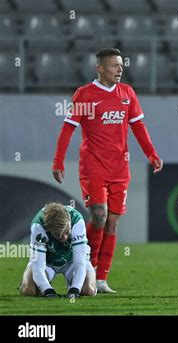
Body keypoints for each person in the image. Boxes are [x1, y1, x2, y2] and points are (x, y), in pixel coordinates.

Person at [52, 48, 163, 293]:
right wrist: (58, 161)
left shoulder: (127, 93)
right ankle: (86, 271)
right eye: (114, 65)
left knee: (112, 223)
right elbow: (68, 128)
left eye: (121, 65)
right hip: (93, 166)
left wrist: (152, 154)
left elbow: (138, 126)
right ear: (100, 68)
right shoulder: (85, 94)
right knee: (99, 216)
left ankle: (101, 279)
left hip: (119, 168)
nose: (120, 69)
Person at [20, 202, 96, 298]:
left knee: (88, 290)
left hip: (72, 260)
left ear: (69, 221)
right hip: (47, 262)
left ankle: (73, 282)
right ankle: (32, 280)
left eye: (66, 232)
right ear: (48, 229)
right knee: (28, 290)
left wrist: (75, 289)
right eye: (58, 235)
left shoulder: (77, 221)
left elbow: (79, 263)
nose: (64, 237)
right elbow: (38, 267)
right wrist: (48, 290)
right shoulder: (38, 226)